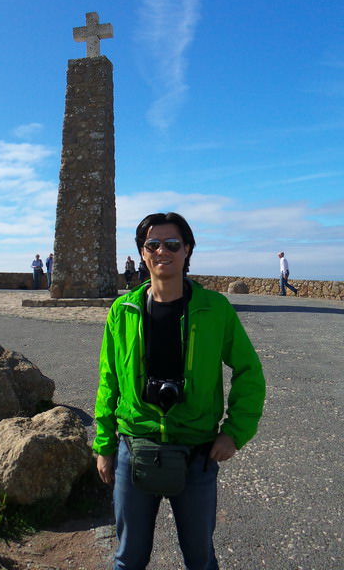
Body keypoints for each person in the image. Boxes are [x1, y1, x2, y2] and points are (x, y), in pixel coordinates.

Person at [94, 212, 266, 570]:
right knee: (128, 559)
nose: (162, 251)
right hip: (134, 446)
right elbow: (108, 380)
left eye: (172, 244)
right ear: (142, 253)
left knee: (200, 559)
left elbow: (249, 371)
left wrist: (235, 432)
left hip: (197, 451)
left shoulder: (214, 308)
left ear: (187, 250)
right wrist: (105, 445)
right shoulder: (122, 311)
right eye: (153, 244)